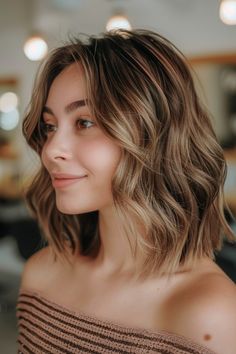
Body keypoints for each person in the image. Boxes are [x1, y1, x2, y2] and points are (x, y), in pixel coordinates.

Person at [16, 29, 236, 354]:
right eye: (50, 126)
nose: (51, 150)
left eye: (85, 122)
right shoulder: (40, 274)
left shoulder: (211, 315)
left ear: (154, 133)